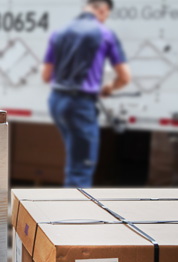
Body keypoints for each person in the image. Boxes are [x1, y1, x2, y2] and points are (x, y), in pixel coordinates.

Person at [42, 0, 131, 187]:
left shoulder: (59, 32)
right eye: (105, 15)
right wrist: (108, 88)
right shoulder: (104, 33)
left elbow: (46, 75)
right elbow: (124, 77)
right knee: (82, 166)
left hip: (56, 100)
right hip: (80, 104)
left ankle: (69, 207)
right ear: (102, 10)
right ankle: (75, 215)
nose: (104, 19)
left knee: (74, 159)